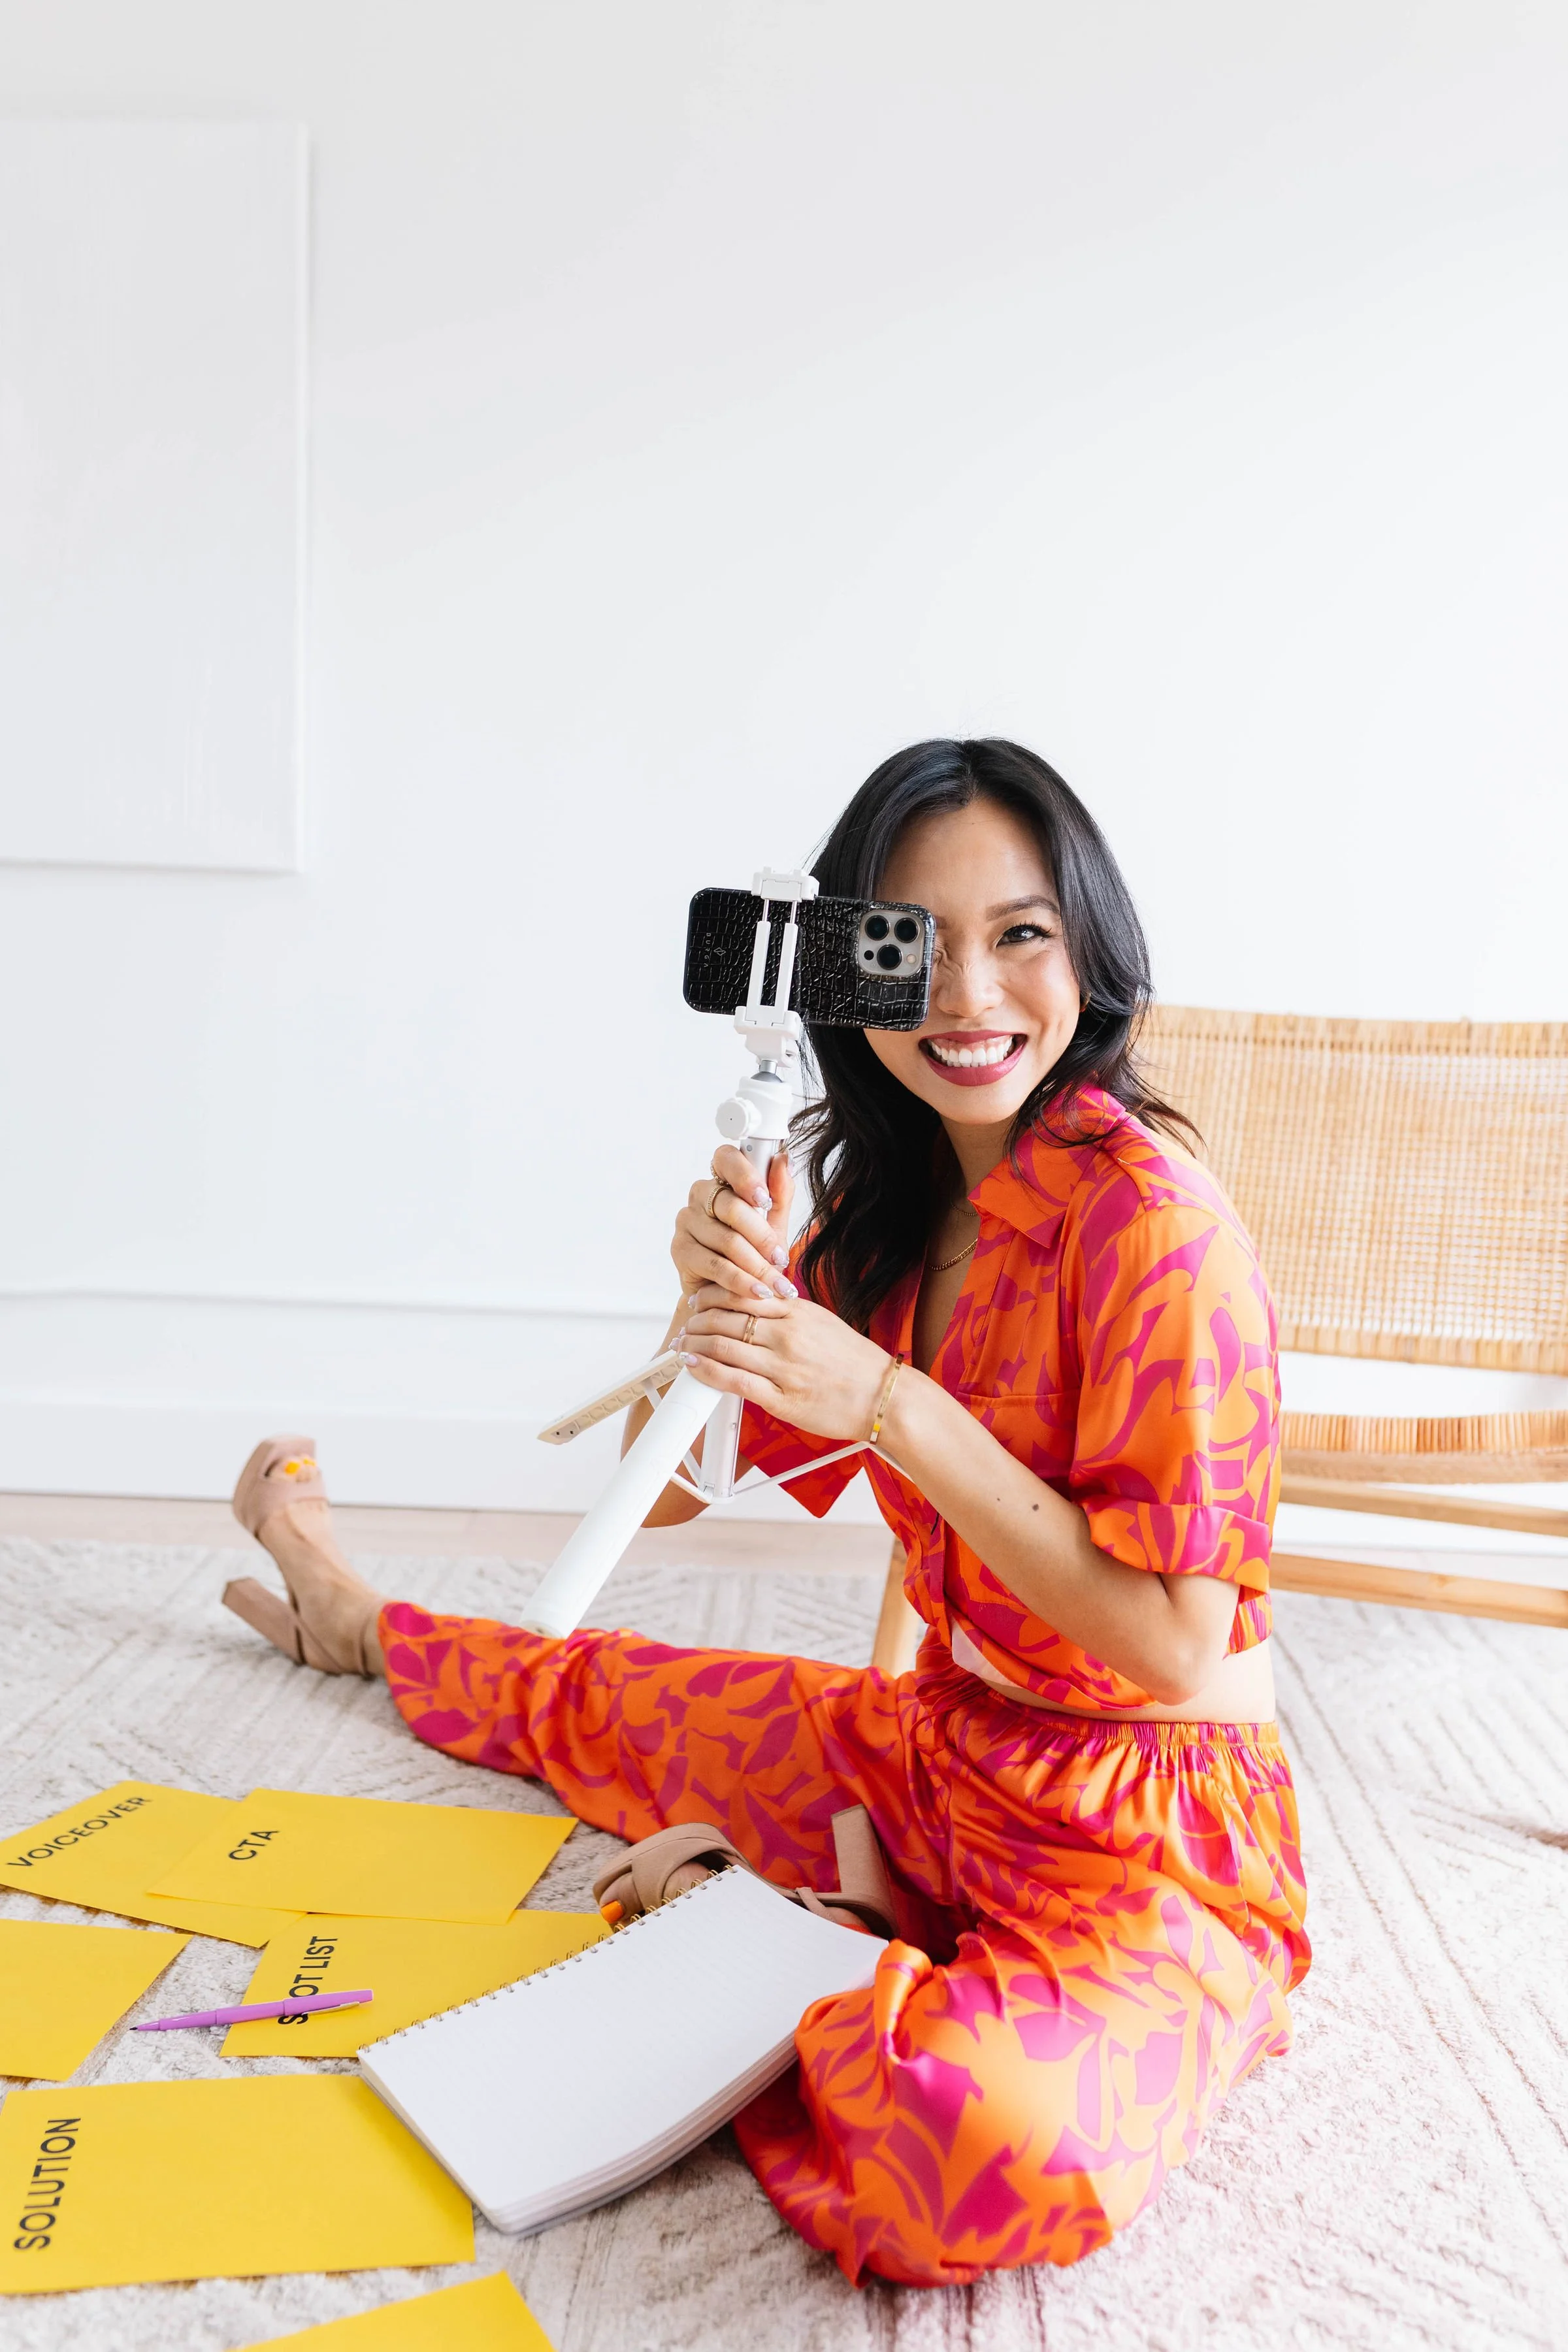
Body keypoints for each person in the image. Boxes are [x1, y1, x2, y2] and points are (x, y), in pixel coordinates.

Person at [223, 737, 1309, 2288]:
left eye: (1020, 934)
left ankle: (777, 1935)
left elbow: (1175, 1643)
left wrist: (891, 1402)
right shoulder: (886, 1214)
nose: (969, 994)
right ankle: (360, 1621)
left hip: (1148, 1827)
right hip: (944, 1751)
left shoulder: (1157, 1236)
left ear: (1092, 949)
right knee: (613, 1699)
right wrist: (707, 1319)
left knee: (979, 2138)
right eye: (910, 944)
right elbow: (673, 1500)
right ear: (846, 972)